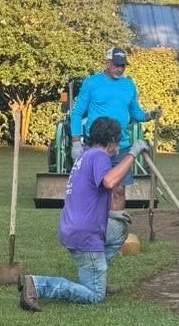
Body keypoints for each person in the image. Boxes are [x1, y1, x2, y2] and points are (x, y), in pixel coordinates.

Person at [20, 116, 135, 310]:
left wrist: (112, 215)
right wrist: (132, 154)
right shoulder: (100, 156)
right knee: (95, 296)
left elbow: (86, 197)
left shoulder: (85, 156)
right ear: (111, 141)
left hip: (73, 228)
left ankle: (97, 276)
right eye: (118, 140)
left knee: (119, 229)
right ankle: (37, 284)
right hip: (85, 234)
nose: (118, 145)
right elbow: (109, 182)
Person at [69, 47, 150, 155]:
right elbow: (77, 113)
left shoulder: (129, 85)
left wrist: (150, 115)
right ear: (108, 63)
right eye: (117, 65)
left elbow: (136, 113)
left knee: (122, 167)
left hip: (121, 147)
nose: (120, 69)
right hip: (96, 147)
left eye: (123, 65)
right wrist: (76, 142)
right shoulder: (91, 83)